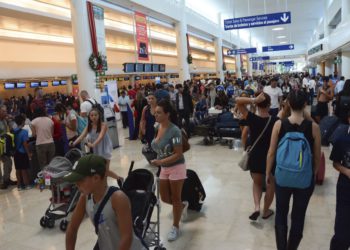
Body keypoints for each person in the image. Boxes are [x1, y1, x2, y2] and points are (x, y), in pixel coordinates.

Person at [266, 90, 321, 250]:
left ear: (288, 103)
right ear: (305, 104)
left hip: (282, 177)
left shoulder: (279, 124)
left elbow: (271, 152)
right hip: (304, 179)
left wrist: (269, 173)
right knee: (298, 216)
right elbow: (317, 157)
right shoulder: (314, 128)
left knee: (281, 214)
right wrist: (313, 174)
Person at [64, 154, 142, 250]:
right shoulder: (85, 198)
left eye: (80, 181)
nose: (77, 185)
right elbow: (72, 228)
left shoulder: (118, 198)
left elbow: (127, 237)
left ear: (96, 178)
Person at [235, 92, 278, 221]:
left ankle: (257, 207)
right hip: (271, 158)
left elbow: (238, 101)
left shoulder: (251, 118)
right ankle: (265, 211)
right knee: (270, 185)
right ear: (270, 105)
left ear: (257, 105)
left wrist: (253, 99)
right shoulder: (276, 121)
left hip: (255, 156)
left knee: (257, 183)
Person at [151, 99, 188, 242]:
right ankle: (182, 206)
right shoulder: (158, 127)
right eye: (155, 113)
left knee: (176, 197)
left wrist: (160, 161)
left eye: (159, 113)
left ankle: (175, 227)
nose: (156, 115)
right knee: (165, 198)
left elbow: (178, 153)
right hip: (164, 167)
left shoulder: (175, 131)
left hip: (176, 167)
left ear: (167, 114)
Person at [70, 108, 120, 181]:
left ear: (99, 116)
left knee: (105, 171)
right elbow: (81, 136)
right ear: (89, 117)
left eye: (95, 115)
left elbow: (100, 137)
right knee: (99, 171)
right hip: (96, 149)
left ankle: (118, 179)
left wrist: (92, 145)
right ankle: (107, 185)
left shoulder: (103, 125)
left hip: (104, 148)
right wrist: (73, 143)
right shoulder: (89, 126)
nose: (94, 117)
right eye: (92, 115)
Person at [329, 111, 350, 250]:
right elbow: (335, 163)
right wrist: (346, 171)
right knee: (342, 229)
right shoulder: (342, 139)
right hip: (345, 188)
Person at [13, 114, 33, 190]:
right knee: (24, 169)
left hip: (15, 152)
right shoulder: (24, 132)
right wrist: (29, 154)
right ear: (22, 121)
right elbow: (25, 144)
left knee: (18, 169)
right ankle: (27, 184)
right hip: (22, 152)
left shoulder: (13, 131)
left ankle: (19, 186)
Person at [0, 105, 15, 189]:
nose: (5, 113)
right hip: (0, 144)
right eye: (3, 111)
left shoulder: (5, 120)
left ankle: (7, 179)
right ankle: (1, 182)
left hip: (5, 144)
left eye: (5, 111)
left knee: (8, 162)